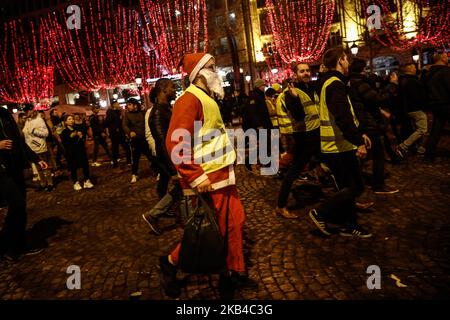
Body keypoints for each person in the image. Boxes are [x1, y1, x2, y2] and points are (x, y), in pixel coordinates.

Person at [161, 52, 254, 299]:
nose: (217, 71)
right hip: (209, 179)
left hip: (221, 176)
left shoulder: (204, 97)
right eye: (212, 67)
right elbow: (176, 142)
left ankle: (233, 273)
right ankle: (171, 263)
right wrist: (196, 176)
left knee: (234, 224)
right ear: (199, 72)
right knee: (214, 231)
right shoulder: (189, 100)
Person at [310, 47, 372, 238]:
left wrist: (359, 134)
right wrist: (357, 141)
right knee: (356, 186)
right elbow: (343, 117)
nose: (348, 63)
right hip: (340, 145)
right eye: (346, 59)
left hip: (335, 144)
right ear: (340, 61)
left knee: (347, 186)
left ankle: (349, 224)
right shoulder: (335, 84)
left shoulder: (325, 83)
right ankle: (322, 212)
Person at [0, 106, 48, 261]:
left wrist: (36, 158)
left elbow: (20, 142)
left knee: (20, 207)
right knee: (17, 204)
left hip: (15, 168)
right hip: (2, 171)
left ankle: (16, 244)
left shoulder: (4, 113)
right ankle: (9, 247)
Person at [275, 62, 321, 219]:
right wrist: (294, 99)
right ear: (296, 74)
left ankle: (348, 199)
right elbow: (298, 116)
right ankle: (281, 206)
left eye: (308, 70)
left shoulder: (311, 88)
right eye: (302, 71)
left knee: (336, 164)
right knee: (294, 171)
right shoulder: (291, 92)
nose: (306, 73)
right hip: (304, 138)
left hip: (317, 135)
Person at [348, 58, 399, 194]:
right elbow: (377, 99)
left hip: (363, 122)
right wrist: (392, 85)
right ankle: (378, 185)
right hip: (368, 123)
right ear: (362, 69)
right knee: (378, 155)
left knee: (365, 155)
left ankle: (356, 183)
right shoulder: (360, 83)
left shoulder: (350, 82)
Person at [142, 78, 182, 235]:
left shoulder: (166, 109)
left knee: (182, 186)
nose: (175, 90)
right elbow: (162, 142)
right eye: (172, 87)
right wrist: (173, 170)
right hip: (168, 158)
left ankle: (157, 213)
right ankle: (154, 214)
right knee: (182, 185)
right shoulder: (158, 113)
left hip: (173, 155)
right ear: (163, 90)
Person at [395, 63, 428, 158]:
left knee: (415, 129)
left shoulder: (403, 80)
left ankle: (418, 147)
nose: (415, 69)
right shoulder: (412, 81)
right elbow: (417, 96)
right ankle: (402, 147)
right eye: (414, 67)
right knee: (422, 129)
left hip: (408, 108)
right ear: (409, 69)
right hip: (415, 108)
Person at [424, 53, 450, 162]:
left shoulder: (428, 73)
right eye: (446, 56)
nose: (447, 58)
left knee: (436, 129)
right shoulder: (446, 71)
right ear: (442, 58)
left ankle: (429, 155)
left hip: (435, 104)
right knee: (436, 129)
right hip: (446, 103)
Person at [122, 98, 155, 183]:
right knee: (135, 158)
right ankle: (134, 174)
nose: (128, 106)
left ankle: (157, 171)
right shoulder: (127, 114)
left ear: (135, 105)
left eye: (129, 104)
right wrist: (130, 132)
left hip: (144, 138)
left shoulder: (143, 113)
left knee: (150, 156)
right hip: (135, 140)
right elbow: (125, 125)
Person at [22, 110, 54, 192]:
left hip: (40, 147)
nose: (27, 113)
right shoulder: (28, 121)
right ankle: (43, 183)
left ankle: (50, 184)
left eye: (28, 111)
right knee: (38, 168)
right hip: (32, 149)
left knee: (45, 167)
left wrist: (34, 131)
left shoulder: (39, 120)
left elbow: (46, 133)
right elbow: (25, 133)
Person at [60, 115, 94, 191]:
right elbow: (65, 144)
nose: (71, 120)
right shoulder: (64, 132)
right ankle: (76, 182)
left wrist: (81, 136)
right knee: (73, 168)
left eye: (72, 119)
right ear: (65, 122)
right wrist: (70, 137)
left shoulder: (77, 129)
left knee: (85, 165)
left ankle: (86, 180)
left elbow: (82, 140)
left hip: (81, 151)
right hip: (72, 153)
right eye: (69, 119)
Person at [105, 102, 131, 168]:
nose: (118, 105)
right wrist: (114, 128)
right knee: (115, 149)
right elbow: (107, 123)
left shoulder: (118, 112)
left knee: (127, 147)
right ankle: (115, 164)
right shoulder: (110, 112)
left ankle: (129, 161)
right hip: (114, 134)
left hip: (121, 133)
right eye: (117, 104)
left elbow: (120, 122)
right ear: (113, 105)